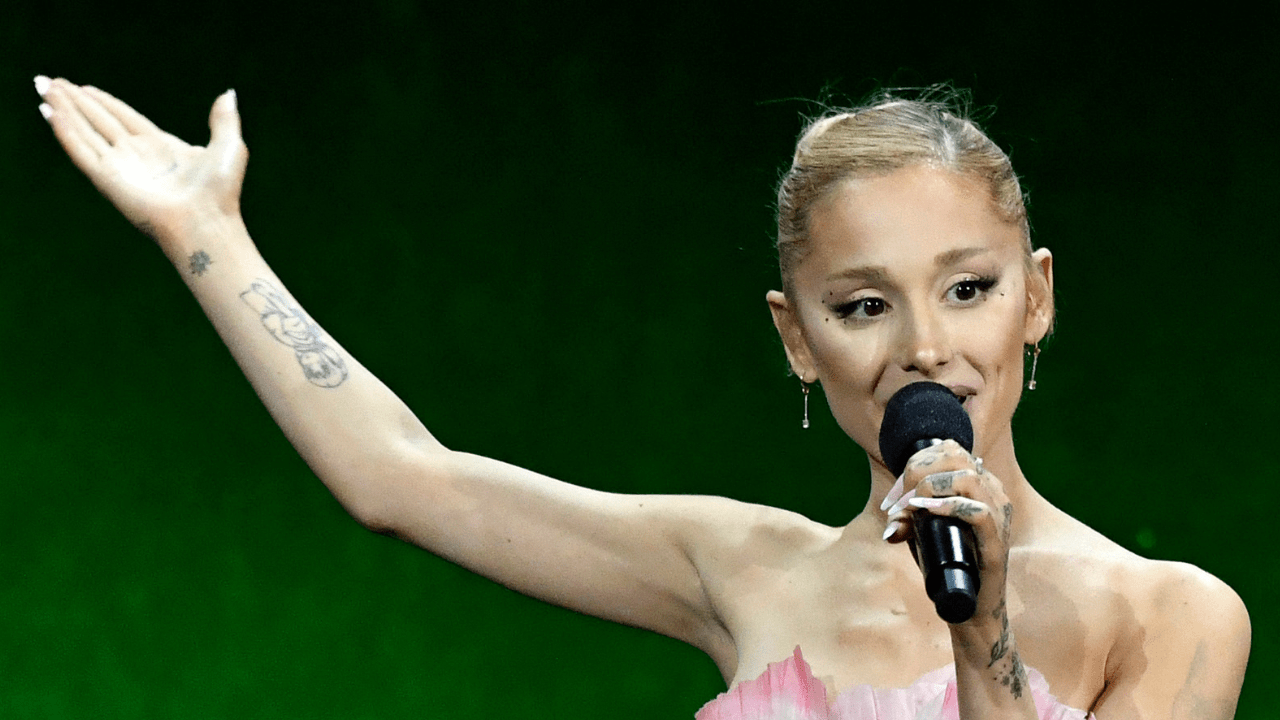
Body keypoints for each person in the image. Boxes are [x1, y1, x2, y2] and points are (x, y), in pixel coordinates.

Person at [33, 75, 1250, 719]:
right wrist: (207, 235)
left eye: (967, 288)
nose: (924, 349)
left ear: (1034, 299)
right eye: (863, 305)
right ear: (794, 337)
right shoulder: (742, 570)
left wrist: (981, 633)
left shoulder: (1172, 616)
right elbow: (401, 479)